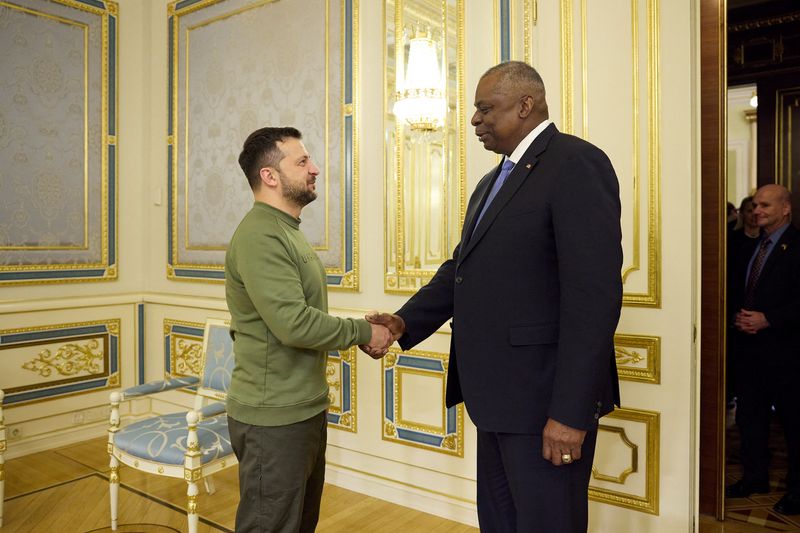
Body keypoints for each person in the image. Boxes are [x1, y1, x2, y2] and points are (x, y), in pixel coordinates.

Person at [363, 61, 622, 532]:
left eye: (486, 109)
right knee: (500, 523)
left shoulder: (576, 163)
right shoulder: (491, 182)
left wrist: (568, 412)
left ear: (526, 105)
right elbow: (461, 270)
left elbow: (594, 298)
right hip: (496, 397)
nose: (475, 121)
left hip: (545, 404)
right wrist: (404, 321)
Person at [225, 127, 392, 532]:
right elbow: (293, 324)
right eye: (302, 162)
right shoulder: (261, 235)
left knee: (299, 524)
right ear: (269, 176)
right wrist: (365, 332)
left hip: (301, 407)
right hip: (272, 416)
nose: (315, 169)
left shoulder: (286, 231)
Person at [726, 184, 800, 516]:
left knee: (793, 424)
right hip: (749, 352)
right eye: (755, 205)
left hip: (787, 354)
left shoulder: (797, 247)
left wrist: (769, 319)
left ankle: (798, 492)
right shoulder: (749, 247)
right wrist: (737, 318)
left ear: (786, 208)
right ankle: (754, 479)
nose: (757, 210)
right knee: (749, 418)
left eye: (765, 205)